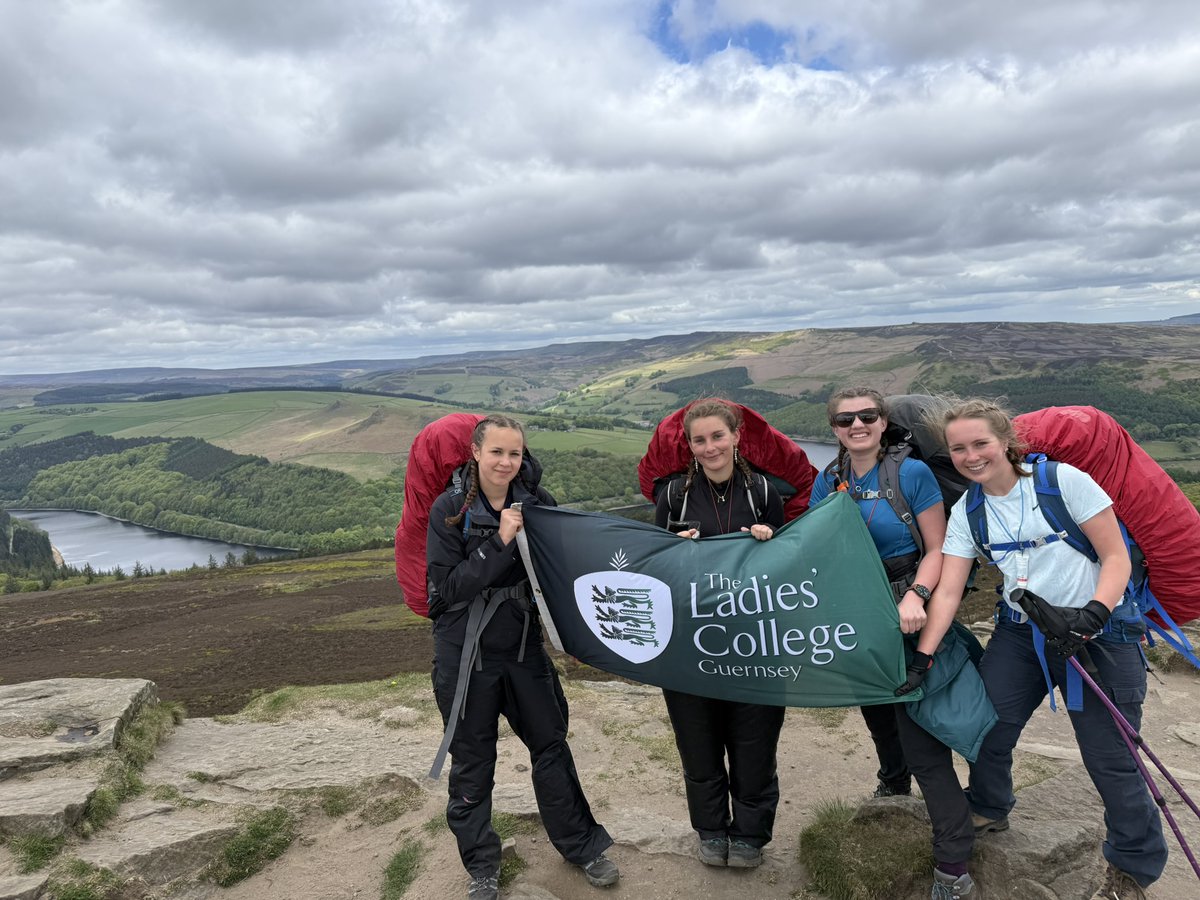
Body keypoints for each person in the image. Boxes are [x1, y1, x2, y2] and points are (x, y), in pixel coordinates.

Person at [922, 398, 1166, 900]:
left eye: (981, 443)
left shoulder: (1064, 482)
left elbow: (1114, 556)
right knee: (988, 724)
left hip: (1100, 634)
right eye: (959, 448)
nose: (971, 456)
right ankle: (990, 805)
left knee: (1110, 757)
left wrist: (1094, 613)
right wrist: (924, 654)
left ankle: (1132, 871)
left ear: (1006, 441)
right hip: (1022, 633)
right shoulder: (969, 509)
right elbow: (948, 589)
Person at [427, 415, 618, 900]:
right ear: (475, 451)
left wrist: (658, 548)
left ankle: (583, 847)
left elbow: (569, 565)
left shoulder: (536, 503)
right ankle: (482, 869)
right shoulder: (449, 509)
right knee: (472, 760)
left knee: (550, 745)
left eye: (515, 454)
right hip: (465, 654)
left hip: (523, 648)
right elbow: (446, 592)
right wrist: (499, 542)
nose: (506, 462)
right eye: (496, 452)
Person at [810, 387, 977, 899]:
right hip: (859, 612)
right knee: (876, 710)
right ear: (834, 427)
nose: (856, 425)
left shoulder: (912, 474)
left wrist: (918, 598)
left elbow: (938, 548)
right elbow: (815, 543)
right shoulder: (829, 477)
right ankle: (893, 786)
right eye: (845, 419)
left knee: (920, 731)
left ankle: (956, 861)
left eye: (866, 416)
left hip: (909, 608)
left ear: (883, 422)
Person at [653, 398, 786, 869]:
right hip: (692, 641)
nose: (709, 447)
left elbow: (786, 568)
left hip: (756, 641)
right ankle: (710, 830)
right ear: (688, 445)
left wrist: (771, 539)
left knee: (754, 742)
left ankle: (749, 835)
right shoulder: (672, 495)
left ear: (735, 437)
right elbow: (657, 568)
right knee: (698, 740)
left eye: (717, 436)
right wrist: (674, 549)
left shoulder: (765, 491)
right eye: (699, 439)